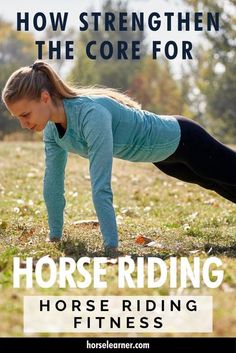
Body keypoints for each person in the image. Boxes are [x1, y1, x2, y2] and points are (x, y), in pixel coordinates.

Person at [2, 60, 236, 257]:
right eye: (17, 118)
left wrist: (111, 246)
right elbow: (52, 184)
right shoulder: (52, 131)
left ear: (44, 97)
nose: (24, 124)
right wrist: (54, 235)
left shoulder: (91, 115)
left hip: (184, 138)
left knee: (225, 177)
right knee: (215, 183)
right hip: (163, 158)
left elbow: (100, 184)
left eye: (25, 114)